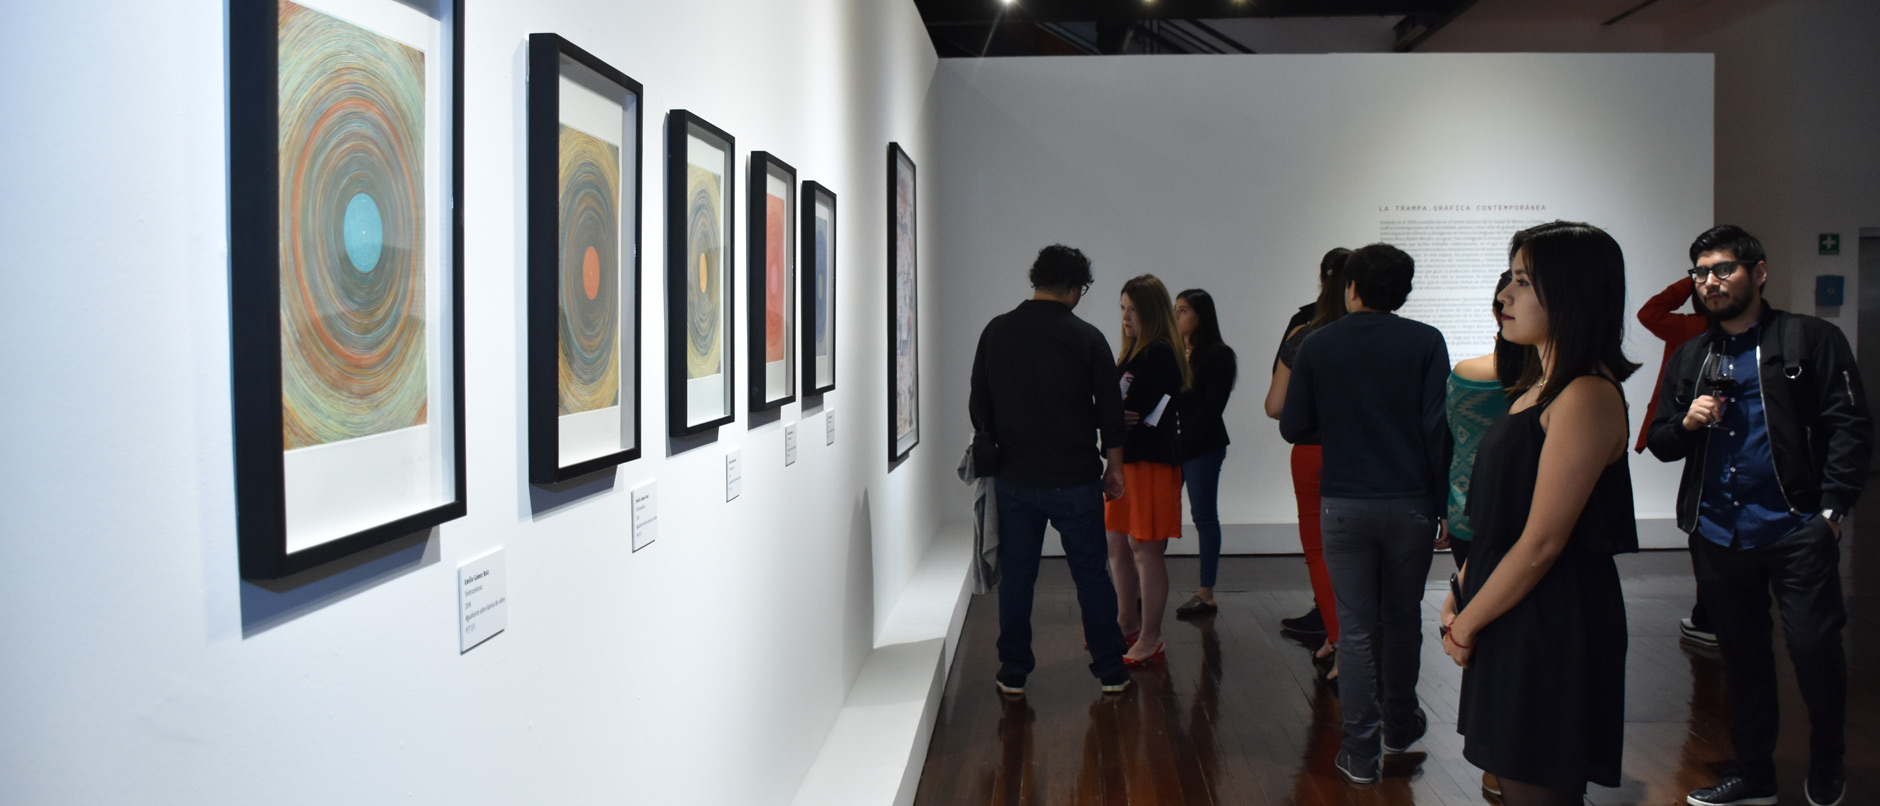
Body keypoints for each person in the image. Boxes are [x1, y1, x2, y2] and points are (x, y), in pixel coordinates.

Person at [1647, 225, 1870, 806]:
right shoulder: (1693, 354)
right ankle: (1754, 775)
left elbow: (1849, 425)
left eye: (1723, 269)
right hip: (1718, 531)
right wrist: (1687, 422)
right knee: (1741, 659)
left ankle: (1828, 761)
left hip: (1796, 526)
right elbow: (1662, 441)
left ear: (1759, 272)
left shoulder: (1810, 338)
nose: (1710, 282)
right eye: (1701, 273)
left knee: (1814, 649)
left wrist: (1832, 510)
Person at [1442, 221, 1640, 806]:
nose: (1504, 295)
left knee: (1537, 786)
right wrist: (1462, 591)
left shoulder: (1585, 395)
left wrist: (1467, 622)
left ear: (1571, 292)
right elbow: (1501, 523)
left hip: (1553, 621)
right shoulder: (1538, 387)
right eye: (1510, 279)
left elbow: (1542, 542)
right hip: (1515, 608)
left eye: (1523, 282)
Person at [1280, 243, 1451, 785]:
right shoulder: (1426, 341)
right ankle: (1399, 726)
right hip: (1411, 501)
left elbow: (1292, 425)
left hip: (1345, 501)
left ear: (1351, 287)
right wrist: (1445, 503)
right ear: (1404, 290)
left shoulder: (1318, 342)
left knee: (1354, 628)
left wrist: (1340, 426)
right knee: (1402, 619)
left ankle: (1359, 750)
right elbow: (1437, 428)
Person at [968, 244, 1134, 697]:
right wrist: (1115, 469)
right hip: (1075, 478)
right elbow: (1111, 413)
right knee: (1091, 574)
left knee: (1018, 576)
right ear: (1076, 288)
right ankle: (1111, 669)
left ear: (1036, 279)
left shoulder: (997, 331)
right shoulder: (1087, 337)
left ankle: (1013, 670)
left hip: (1014, 478)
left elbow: (979, 404)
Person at [1106, 274, 1193, 666]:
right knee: (1118, 545)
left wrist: (1110, 413)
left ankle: (1151, 636)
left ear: (1152, 312)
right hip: (1124, 461)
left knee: (1145, 549)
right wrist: (1110, 414)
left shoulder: (1160, 354)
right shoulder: (1131, 355)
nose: (1125, 316)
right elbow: (1115, 410)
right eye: (1123, 308)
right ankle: (1126, 623)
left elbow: (1132, 408)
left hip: (1151, 462)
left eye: (1133, 309)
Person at [1271, 247, 1352, 646]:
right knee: (1360, 552)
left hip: (1311, 452)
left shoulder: (1303, 333)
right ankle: (1363, 644)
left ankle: (1337, 640)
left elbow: (1275, 406)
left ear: (1322, 279)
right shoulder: (1378, 335)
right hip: (1364, 453)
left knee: (1319, 550)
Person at [1635, 275, 1719, 649]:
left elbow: (1649, 312)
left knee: (1702, 515)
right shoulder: (1698, 329)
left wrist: (1691, 280)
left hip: (1682, 425)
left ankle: (1708, 617)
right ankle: (1712, 616)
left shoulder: (1689, 327)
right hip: (1694, 428)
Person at [1442, 271, 1521, 570]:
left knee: (1472, 593)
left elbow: (1448, 441)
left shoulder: (1466, 374)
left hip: (1466, 513)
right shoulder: (1554, 383)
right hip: (1530, 519)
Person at [1173, 289, 1238, 618]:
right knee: (1160, 513)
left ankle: (1206, 592)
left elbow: (1212, 408)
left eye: (1183, 310)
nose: (1176, 316)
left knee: (1204, 516)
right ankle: (1145, 584)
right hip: (1175, 446)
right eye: (1175, 309)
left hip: (1203, 447)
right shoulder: (1174, 352)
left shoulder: (1218, 354)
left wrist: (1182, 444)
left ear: (1201, 316)